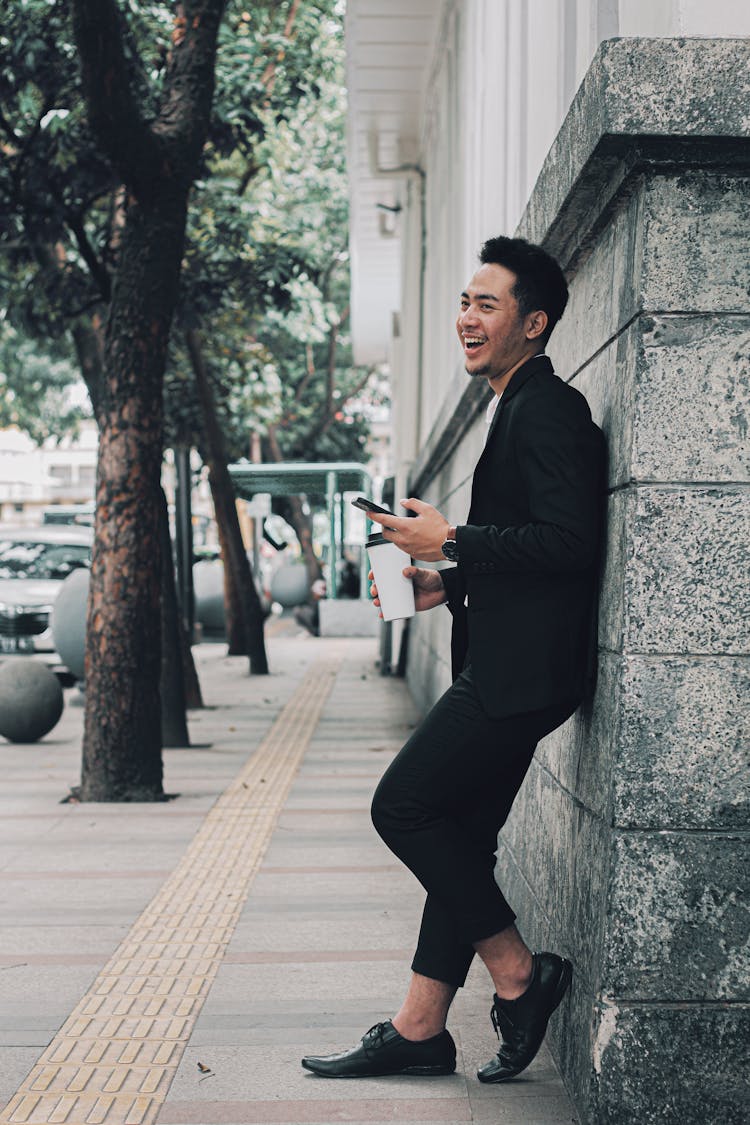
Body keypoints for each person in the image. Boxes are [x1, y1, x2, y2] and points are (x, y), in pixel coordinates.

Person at [301, 236, 605, 1083]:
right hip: (512, 663)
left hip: (517, 676)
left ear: (533, 323)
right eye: (465, 303)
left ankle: (519, 975)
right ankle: (421, 1028)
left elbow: (570, 542)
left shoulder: (548, 408)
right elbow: (531, 547)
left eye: (488, 305)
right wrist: (446, 578)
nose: (467, 319)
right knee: (462, 837)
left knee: (402, 806)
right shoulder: (514, 404)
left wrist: (454, 538)